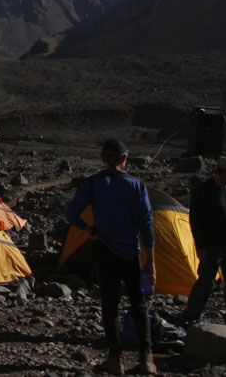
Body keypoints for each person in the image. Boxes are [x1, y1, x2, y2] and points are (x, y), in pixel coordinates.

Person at [66, 139, 157, 375]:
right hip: (131, 252)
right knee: (139, 305)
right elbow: (147, 224)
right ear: (125, 159)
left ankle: (115, 360)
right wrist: (150, 259)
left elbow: (71, 211)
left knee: (110, 306)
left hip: (104, 250)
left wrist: (88, 229)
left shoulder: (94, 183)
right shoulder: (137, 185)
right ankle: (147, 359)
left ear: (103, 159)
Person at [183, 156, 226, 329]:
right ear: (222, 172)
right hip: (211, 247)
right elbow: (195, 221)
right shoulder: (203, 190)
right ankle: (191, 316)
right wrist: (200, 246)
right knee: (205, 283)